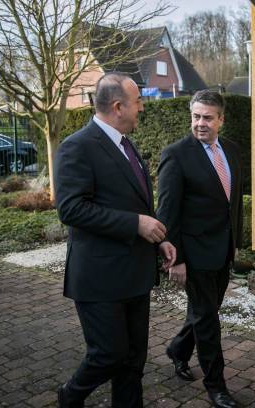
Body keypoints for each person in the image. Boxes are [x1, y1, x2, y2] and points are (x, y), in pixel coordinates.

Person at [54, 72, 176, 408]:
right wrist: (136, 223)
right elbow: (72, 209)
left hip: (135, 274)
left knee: (133, 361)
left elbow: (134, 201)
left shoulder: (126, 143)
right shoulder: (76, 146)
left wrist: (157, 240)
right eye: (138, 102)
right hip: (99, 277)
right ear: (119, 106)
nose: (142, 108)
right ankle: (70, 395)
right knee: (108, 355)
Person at [156, 90, 243, 408]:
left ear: (221, 119)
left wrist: (237, 243)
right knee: (207, 320)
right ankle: (216, 386)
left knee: (205, 313)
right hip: (193, 254)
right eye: (195, 116)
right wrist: (174, 258)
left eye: (207, 117)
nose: (200, 123)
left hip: (223, 251)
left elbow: (233, 205)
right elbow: (167, 211)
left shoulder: (232, 151)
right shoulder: (176, 154)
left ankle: (178, 349)